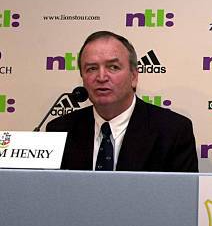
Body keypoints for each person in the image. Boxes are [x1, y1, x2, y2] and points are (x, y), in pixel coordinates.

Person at [47, 31, 199, 172]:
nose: (101, 77)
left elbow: (180, 198)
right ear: (83, 78)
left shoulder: (173, 131)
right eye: (92, 68)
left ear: (133, 76)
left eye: (113, 67)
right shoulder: (60, 130)